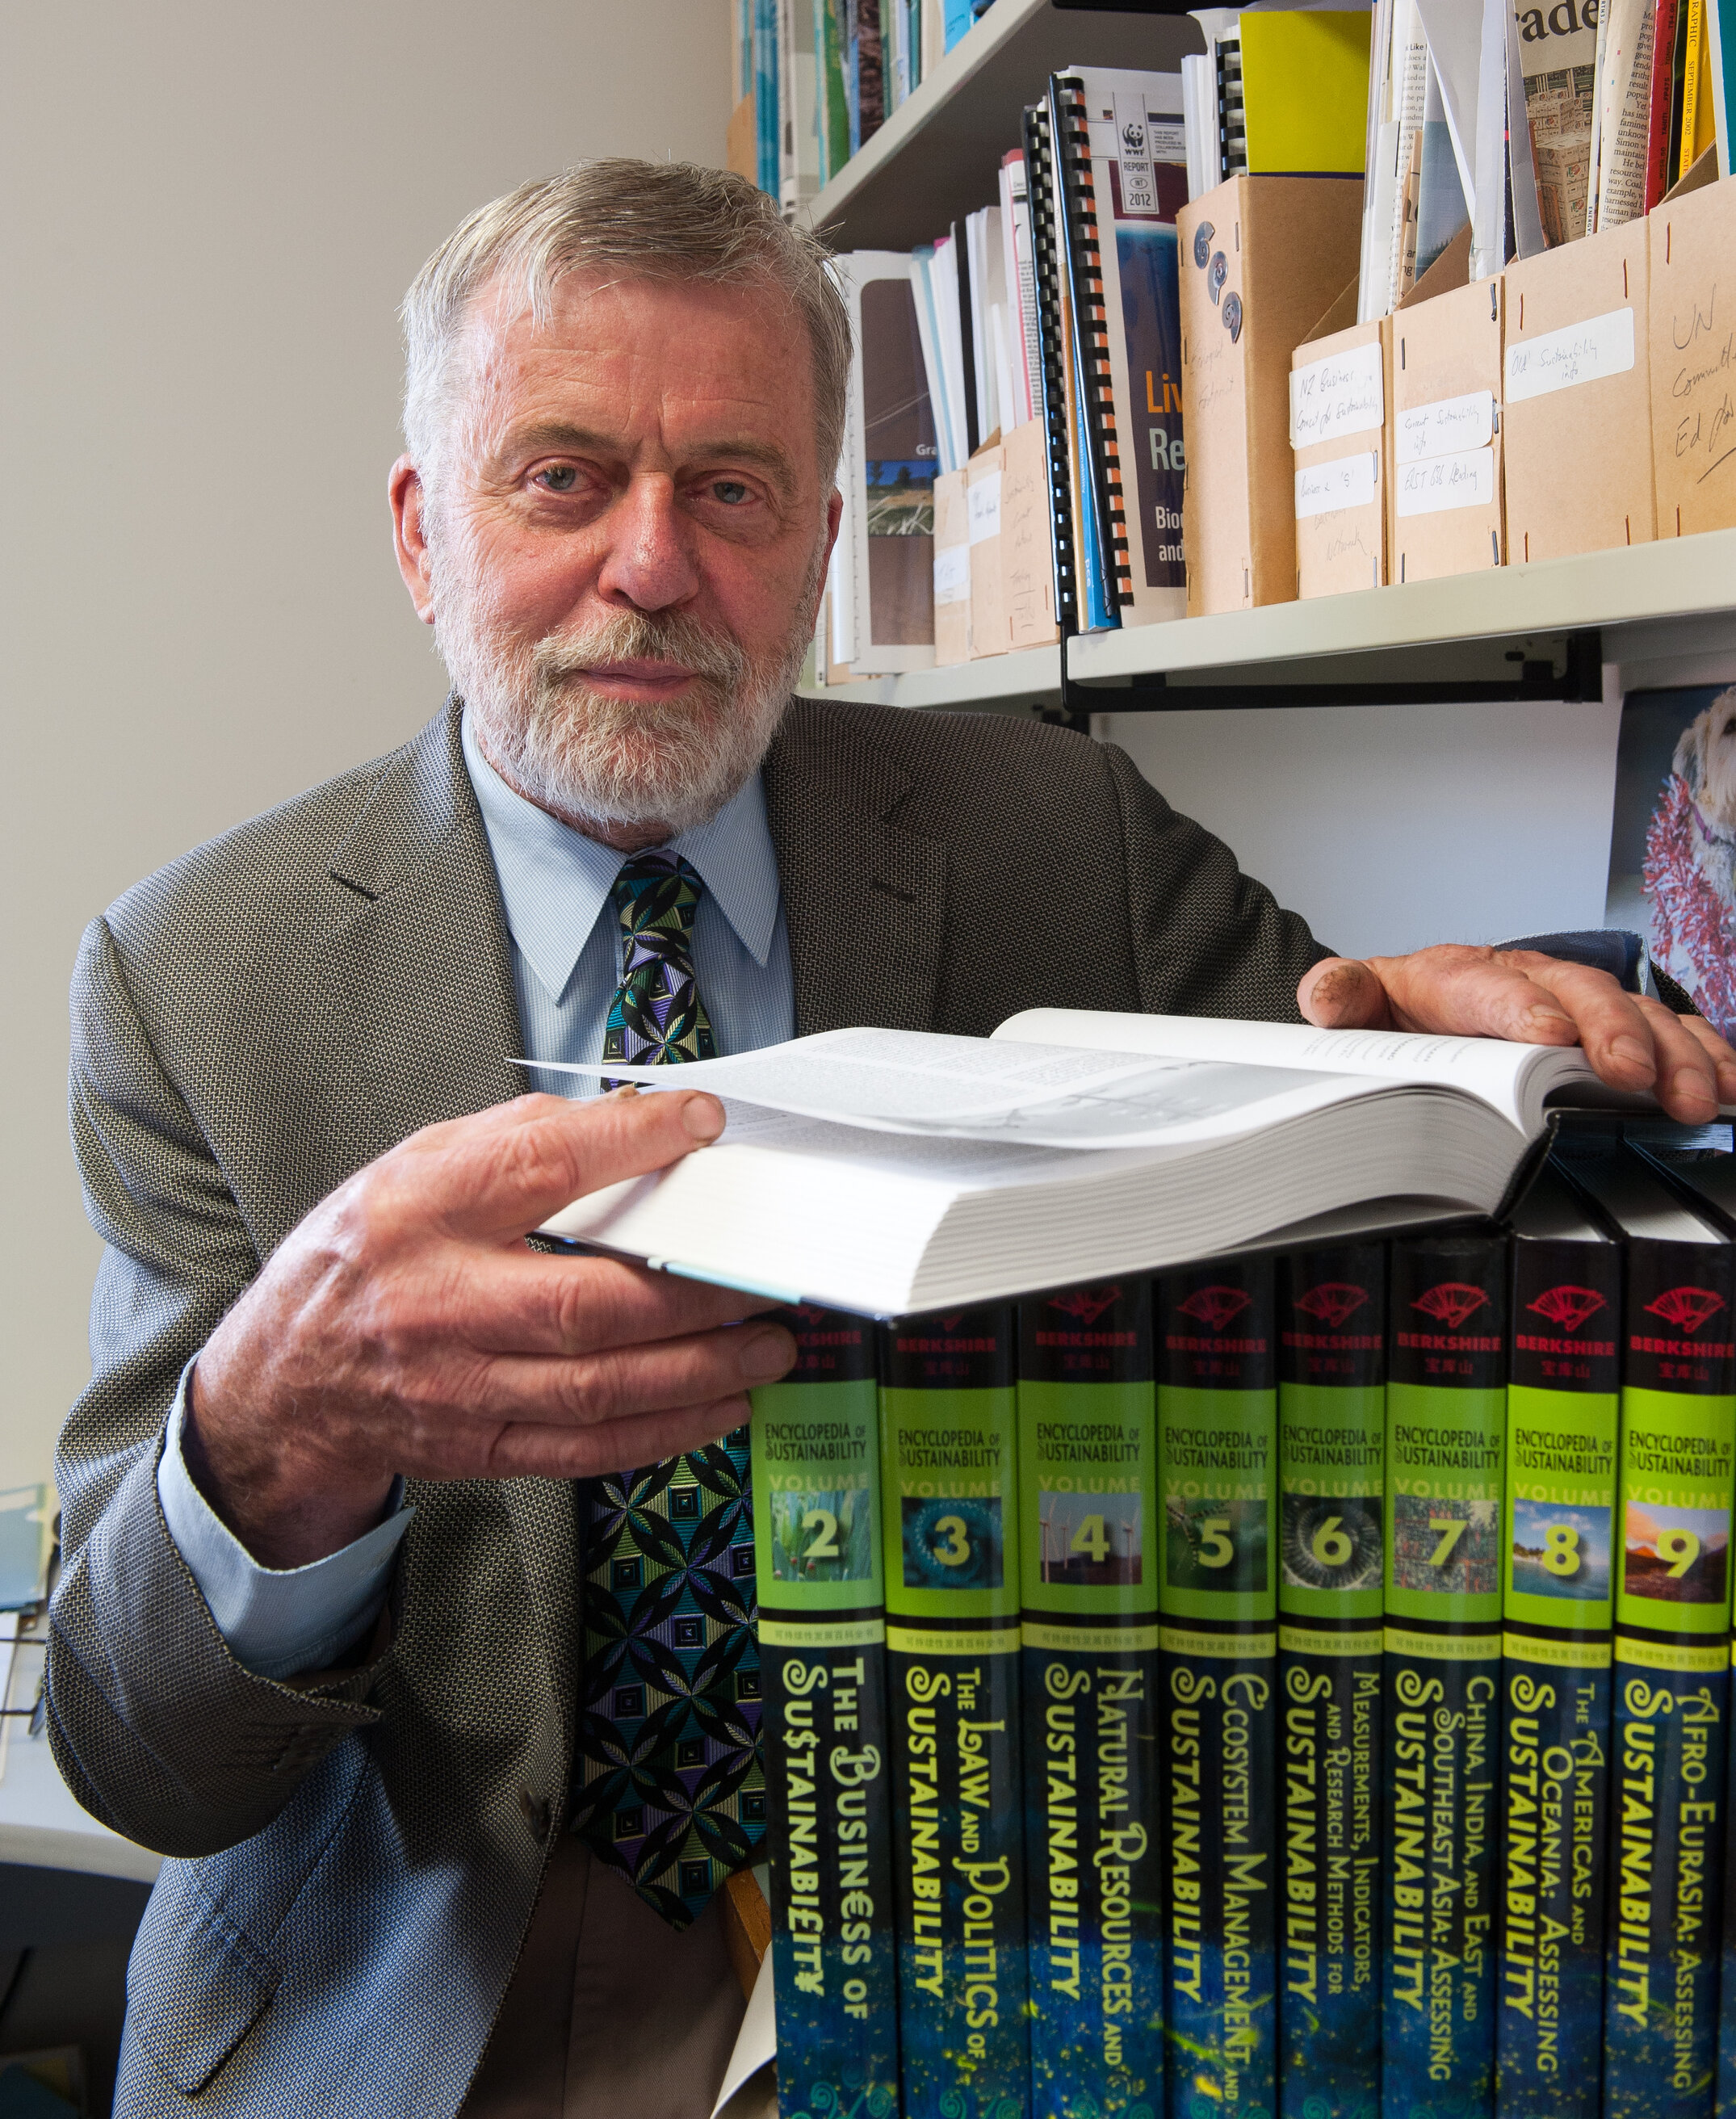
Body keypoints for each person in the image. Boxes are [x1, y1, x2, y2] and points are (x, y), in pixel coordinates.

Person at [48, 162, 1736, 2119]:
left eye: (733, 489)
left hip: (1002, 1915)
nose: (655, 565)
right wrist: (273, 1430)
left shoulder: (1060, 841)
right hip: (432, 1981)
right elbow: (141, 1753)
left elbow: (1344, 1097)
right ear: (425, 534)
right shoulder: (195, 975)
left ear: (823, 541)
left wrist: (1462, 1037)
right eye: (564, 477)